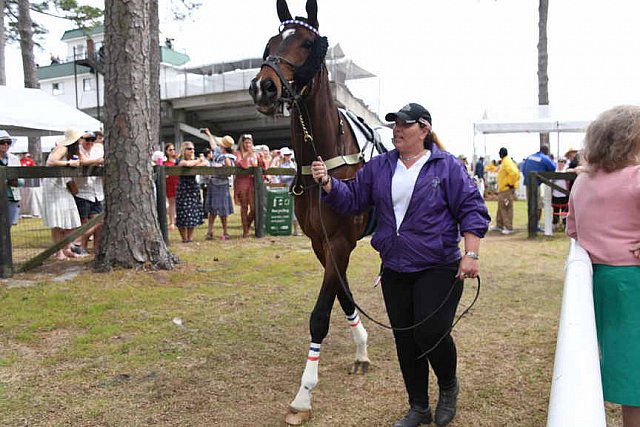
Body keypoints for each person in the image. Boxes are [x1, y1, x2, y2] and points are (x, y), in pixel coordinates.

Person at [311, 103, 490, 427]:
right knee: (405, 339)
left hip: (437, 264)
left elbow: (472, 209)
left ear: (423, 130)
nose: (396, 130)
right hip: (395, 267)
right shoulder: (380, 166)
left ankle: (448, 386)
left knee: (430, 331)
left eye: (404, 125)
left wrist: (471, 253)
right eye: (394, 125)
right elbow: (353, 199)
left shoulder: (446, 166)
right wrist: (327, 184)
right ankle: (418, 406)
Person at [566, 105, 640, 427]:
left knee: (628, 367)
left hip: (600, 281)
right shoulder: (636, 179)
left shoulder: (582, 181)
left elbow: (572, 230)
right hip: (632, 280)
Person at [42, 128, 83, 260]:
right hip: (54, 187)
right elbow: (51, 161)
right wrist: (68, 163)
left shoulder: (73, 151)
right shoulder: (62, 148)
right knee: (58, 220)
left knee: (70, 218)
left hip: (63, 186)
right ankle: (59, 251)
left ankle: (67, 248)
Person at [72, 131, 104, 256]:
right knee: (84, 222)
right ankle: (80, 245)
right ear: (81, 140)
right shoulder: (77, 150)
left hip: (97, 191)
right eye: (87, 139)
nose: (90, 142)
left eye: (92, 139)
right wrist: (99, 161)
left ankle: (96, 248)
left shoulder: (98, 149)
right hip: (83, 192)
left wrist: (97, 161)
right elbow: (83, 162)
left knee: (99, 222)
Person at [203, 129, 235, 240]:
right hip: (214, 183)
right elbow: (212, 144)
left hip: (222, 184)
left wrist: (222, 167)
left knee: (222, 210)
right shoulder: (218, 152)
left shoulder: (228, 157)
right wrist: (209, 134)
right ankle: (210, 231)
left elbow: (229, 170)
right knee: (212, 209)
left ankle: (225, 231)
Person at [234, 134, 266, 238]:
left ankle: (247, 225)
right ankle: (245, 231)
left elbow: (263, 167)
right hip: (242, 182)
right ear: (242, 143)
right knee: (244, 207)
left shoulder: (255, 154)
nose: (248, 144)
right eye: (246, 142)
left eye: (250, 142)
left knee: (254, 208)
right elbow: (240, 165)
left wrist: (262, 158)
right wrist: (248, 155)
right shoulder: (238, 153)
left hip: (253, 183)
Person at [175, 141, 207, 243]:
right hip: (183, 188)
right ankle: (184, 238)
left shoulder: (195, 160)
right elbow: (186, 164)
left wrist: (199, 161)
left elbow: (205, 164)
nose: (192, 150)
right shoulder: (180, 160)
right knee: (183, 212)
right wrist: (199, 161)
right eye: (189, 149)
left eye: (193, 149)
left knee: (193, 212)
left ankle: (190, 238)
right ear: (184, 150)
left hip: (193, 188)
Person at [521, 144, 556, 229]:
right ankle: (536, 225)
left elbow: (523, 168)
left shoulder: (530, 157)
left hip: (527, 183)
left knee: (530, 204)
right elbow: (553, 168)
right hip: (536, 184)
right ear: (547, 151)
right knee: (538, 205)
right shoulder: (545, 158)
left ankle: (531, 224)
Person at [492, 147, 520, 234]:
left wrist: (510, 183)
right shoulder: (505, 161)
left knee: (506, 208)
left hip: (506, 189)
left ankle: (509, 227)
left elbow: (514, 173)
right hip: (503, 189)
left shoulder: (507, 162)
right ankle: (499, 225)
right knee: (501, 207)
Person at [0, 130, 21, 227]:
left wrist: (17, 182)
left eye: (8, 142)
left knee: (8, 225)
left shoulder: (14, 159)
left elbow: (21, 179)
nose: (5, 145)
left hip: (12, 197)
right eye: (2, 142)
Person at [279, 146, 299, 236]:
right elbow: (282, 178)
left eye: (289, 154)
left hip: (295, 188)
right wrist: (293, 175)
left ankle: (296, 230)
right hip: (286, 189)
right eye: (286, 155)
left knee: (295, 208)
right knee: (288, 209)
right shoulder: (282, 165)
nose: (288, 156)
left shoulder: (294, 164)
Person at [551, 157, 569, 231]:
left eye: (563, 162)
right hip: (555, 194)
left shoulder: (567, 171)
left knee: (565, 211)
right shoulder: (554, 171)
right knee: (556, 210)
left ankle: (565, 224)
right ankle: (555, 224)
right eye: (559, 161)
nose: (561, 163)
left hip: (565, 194)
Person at [163, 143, 179, 230]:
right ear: (166, 152)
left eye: (173, 149)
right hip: (170, 183)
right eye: (170, 150)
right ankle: (172, 221)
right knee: (172, 203)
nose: (172, 151)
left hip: (178, 183)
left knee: (178, 202)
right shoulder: (165, 163)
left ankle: (177, 220)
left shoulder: (178, 161)